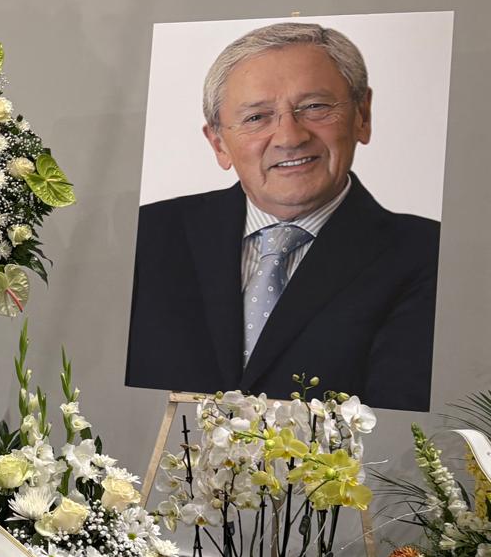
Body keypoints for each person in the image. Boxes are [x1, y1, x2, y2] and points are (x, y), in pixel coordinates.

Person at [125, 22, 438, 410]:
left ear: (363, 115)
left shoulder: (429, 254)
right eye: (257, 117)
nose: (290, 136)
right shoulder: (146, 237)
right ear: (218, 143)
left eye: (315, 107)